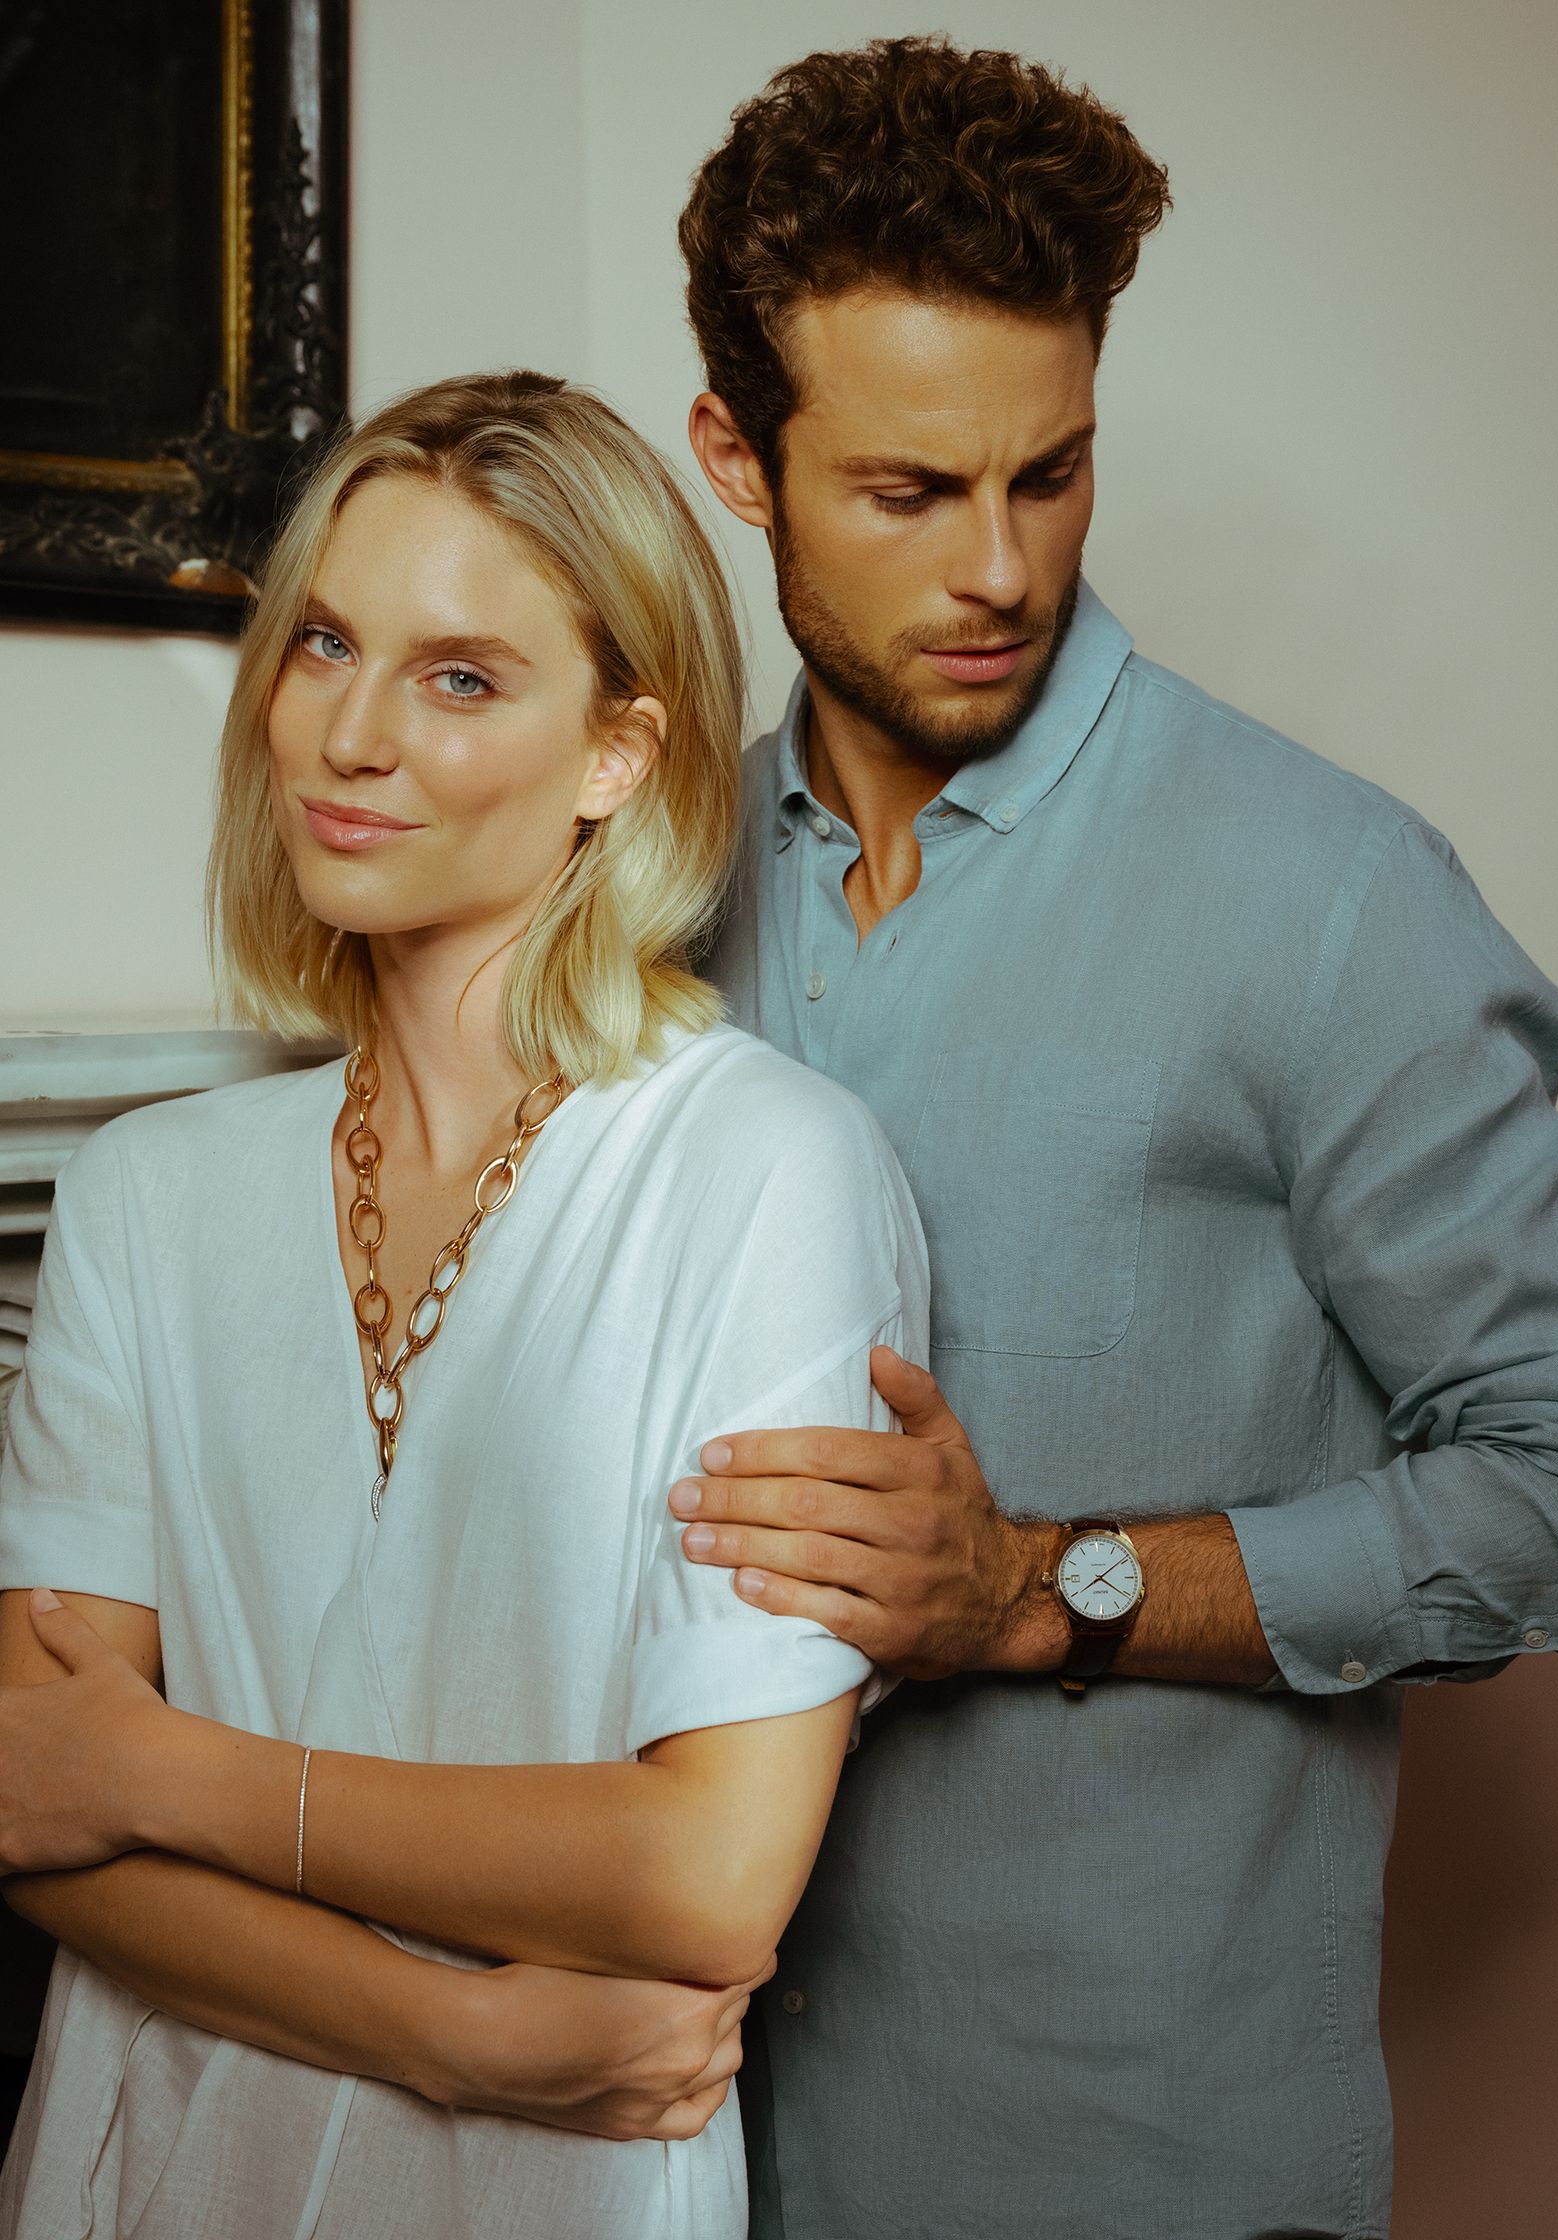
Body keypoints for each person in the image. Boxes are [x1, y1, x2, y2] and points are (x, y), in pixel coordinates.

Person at [667, 36, 1558, 2239]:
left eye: (1051, 474)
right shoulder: (643, 889)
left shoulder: (1328, 894)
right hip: (679, 2156)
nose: (999, 568)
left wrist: (1042, 1590)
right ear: (735, 455)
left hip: (1137, 2176)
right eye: (906, 492)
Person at [0, 371, 928, 2240]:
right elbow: (33, 1815)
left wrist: (162, 1768)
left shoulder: (764, 1170)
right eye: (324, 643)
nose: (347, 734)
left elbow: (703, 1876)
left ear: (617, 756)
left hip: (553, 2193)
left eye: (461, 676)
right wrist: (455, 2029)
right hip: (150, 2158)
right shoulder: (145, 1195)